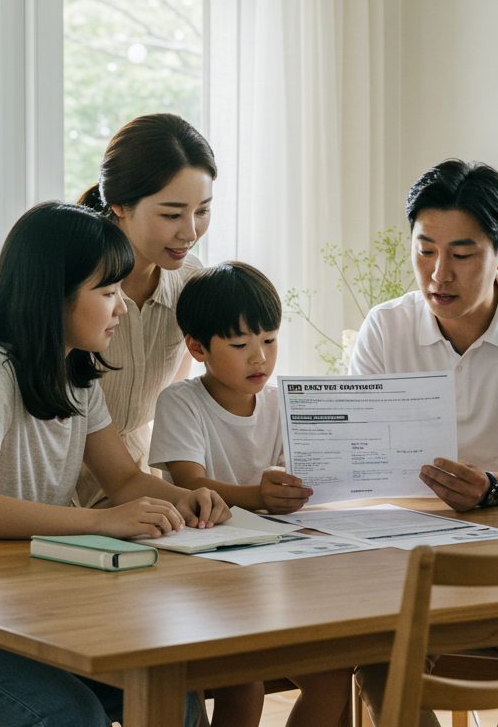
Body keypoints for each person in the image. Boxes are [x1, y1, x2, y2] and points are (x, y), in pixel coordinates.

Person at [0, 201, 231, 727]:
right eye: (107, 292)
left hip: (16, 610)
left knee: (174, 695)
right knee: (70, 715)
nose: (122, 308)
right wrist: (100, 521)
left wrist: (186, 499)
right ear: (53, 295)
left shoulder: (78, 377)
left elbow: (123, 479)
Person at [349, 160, 498, 727]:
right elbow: (361, 455)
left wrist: (494, 485)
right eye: (425, 250)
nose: (438, 273)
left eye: (462, 254)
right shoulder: (386, 327)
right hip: (407, 557)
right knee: (377, 654)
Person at [149, 262, 351, 727]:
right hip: (202, 578)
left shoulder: (281, 403)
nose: (259, 357)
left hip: (273, 572)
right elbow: (188, 484)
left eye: (270, 340)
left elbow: (294, 482)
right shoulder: (181, 402)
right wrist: (259, 495)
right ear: (197, 348)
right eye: (240, 345)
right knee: (244, 685)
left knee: (333, 675)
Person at [75, 113, 217, 506]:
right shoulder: (72, 283)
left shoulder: (190, 283)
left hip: (135, 487)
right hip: (48, 491)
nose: (190, 232)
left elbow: (175, 396)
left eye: (202, 210)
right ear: (119, 204)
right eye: (172, 214)